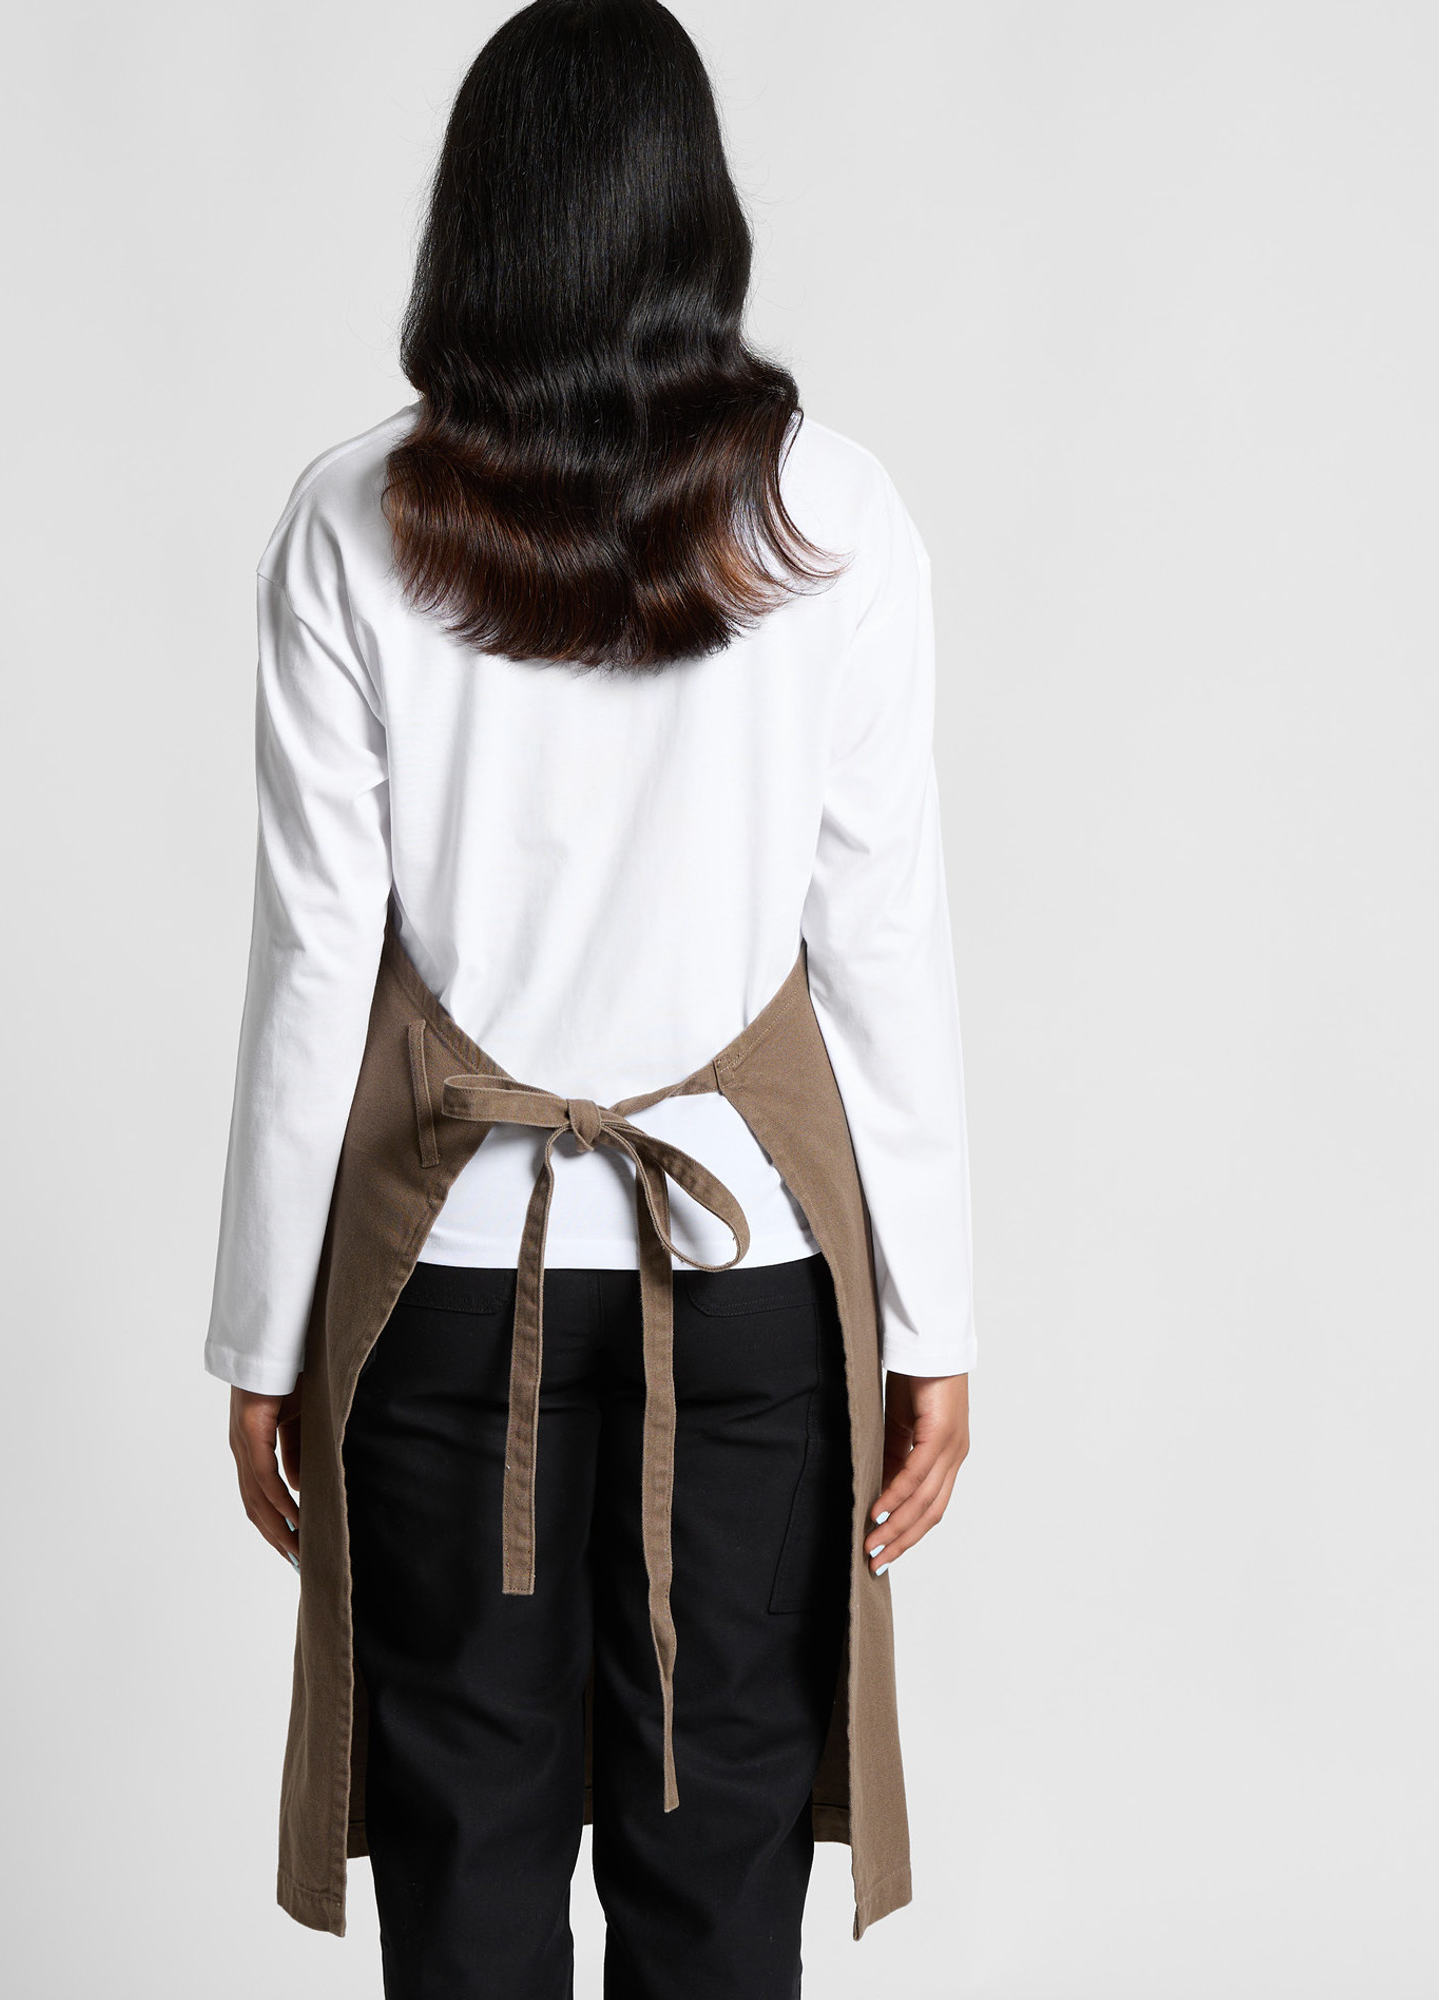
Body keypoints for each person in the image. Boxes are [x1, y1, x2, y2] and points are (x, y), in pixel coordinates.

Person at [204, 3, 974, 1993]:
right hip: (754, 1282)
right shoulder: (835, 512)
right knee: (720, 1871)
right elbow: (882, 938)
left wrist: (264, 1333)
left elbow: (317, 959)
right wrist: (934, 1320)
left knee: (460, 1865)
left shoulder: (351, 515)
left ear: (476, 220)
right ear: (700, 219)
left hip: (444, 1296)